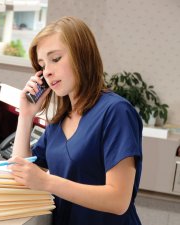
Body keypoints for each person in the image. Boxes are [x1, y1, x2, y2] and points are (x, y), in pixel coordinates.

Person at [8, 16, 143, 225]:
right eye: (42, 65)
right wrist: (26, 116)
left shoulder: (116, 112)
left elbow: (119, 200)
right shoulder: (59, 121)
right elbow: (22, 173)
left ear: (82, 56)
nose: (48, 71)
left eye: (55, 59)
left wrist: (46, 181)